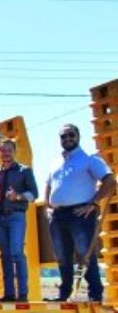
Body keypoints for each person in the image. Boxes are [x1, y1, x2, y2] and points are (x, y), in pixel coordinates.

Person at [44, 124, 116, 303]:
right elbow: (48, 183)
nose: (67, 138)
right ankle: (64, 293)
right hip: (58, 215)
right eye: (63, 136)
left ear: (78, 136)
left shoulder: (90, 159)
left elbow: (110, 181)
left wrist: (93, 202)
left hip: (80, 213)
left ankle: (95, 295)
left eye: (70, 135)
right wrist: (48, 205)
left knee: (85, 254)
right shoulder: (56, 163)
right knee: (62, 256)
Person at [0, 139, 39, 302]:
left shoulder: (24, 171)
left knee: (16, 253)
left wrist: (18, 196)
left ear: (15, 152)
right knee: (5, 256)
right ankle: (8, 294)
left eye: (9, 150)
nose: (6, 153)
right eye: (3, 150)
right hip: (0, 217)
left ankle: (22, 294)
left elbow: (34, 194)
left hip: (16, 215)